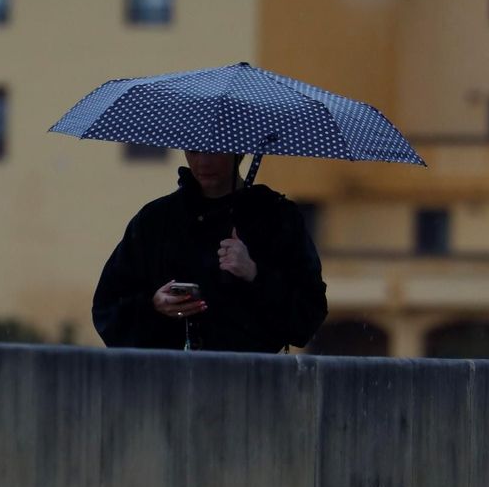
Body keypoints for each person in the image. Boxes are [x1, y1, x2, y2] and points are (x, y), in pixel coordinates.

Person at [93, 151, 328, 352]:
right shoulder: (155, 220)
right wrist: (153, 306)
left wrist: (255, 274)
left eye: (214, 150)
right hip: (166, 384)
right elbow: (108, 309)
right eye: (194, 150)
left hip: (251, 385)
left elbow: (307, 317)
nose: (203, 162)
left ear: (239, 151)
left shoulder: (275, 218)